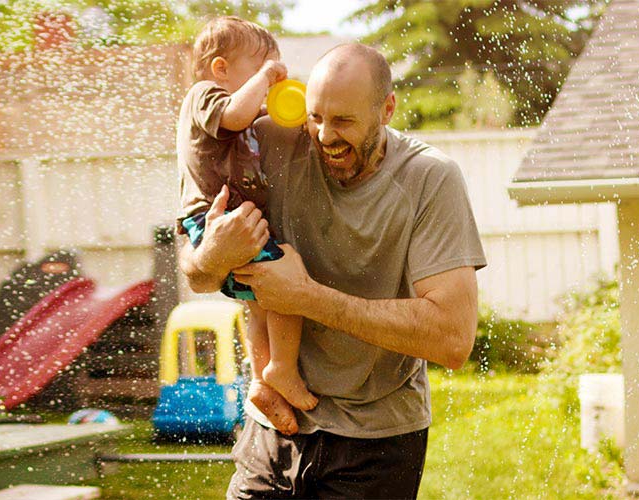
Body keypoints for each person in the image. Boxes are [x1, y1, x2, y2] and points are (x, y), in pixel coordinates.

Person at [178, 43, 487, 499]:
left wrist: (305, 297)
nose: (323, 135)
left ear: (386, 109)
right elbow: (198, 273)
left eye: (343, 121)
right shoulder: (272, 143)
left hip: (376, 440)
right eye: (315, 116)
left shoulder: (429, 179)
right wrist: (212, 254)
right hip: (273, 429)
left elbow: (452, 339)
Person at [174, 16, 318, 411]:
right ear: (221, 69)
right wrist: (267, 77)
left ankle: (261, 383)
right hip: (213, 218)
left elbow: (265, 120)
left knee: (258, 299)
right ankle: (282, 369)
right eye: (261, 71)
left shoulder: (238, 108)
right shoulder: (204, 95)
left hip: (226, 220)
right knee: (285, 280)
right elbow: (237, 115)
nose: (268, 84)